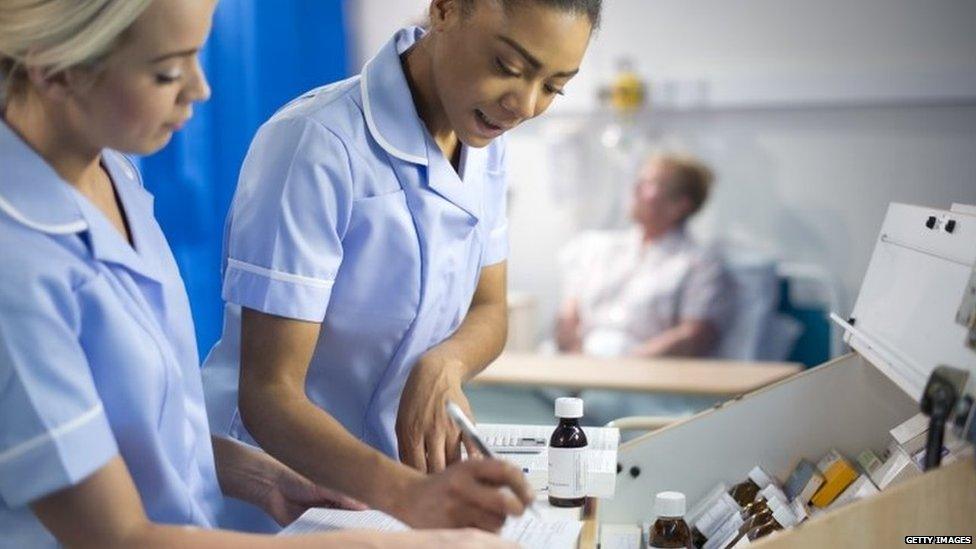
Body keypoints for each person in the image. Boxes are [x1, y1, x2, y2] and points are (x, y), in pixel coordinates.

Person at [0, 1, 515, 547]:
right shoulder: (17, 268)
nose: (200, 89)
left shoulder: (111, 174)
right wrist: (377, 540)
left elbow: (146, 424)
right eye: (168, 71)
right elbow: (117, 537)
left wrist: (260, 475)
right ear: (53, 68)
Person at [200, 0, 602, 533]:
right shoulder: (316, 144)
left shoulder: (482, 141)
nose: (524, 104)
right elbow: (270, 395)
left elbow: (489, 310)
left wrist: (445, 365)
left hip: (388, 491)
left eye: (553, 87)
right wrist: (412, 495)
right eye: (508, 66)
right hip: (275, 487)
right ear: (444, 11)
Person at [554, 152, 735, 424]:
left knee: (599, 402)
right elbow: (568, 315)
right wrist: (580, 362)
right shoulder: (599, 249)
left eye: (650, 183)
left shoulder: (697, 262)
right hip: (577, 368)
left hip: (641, 375)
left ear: (680, 205)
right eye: (639, 181)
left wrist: (625, 365)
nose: (636, 189)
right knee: (511, 396)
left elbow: (694, 335)